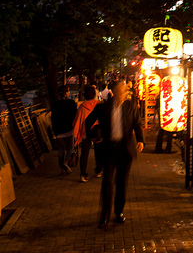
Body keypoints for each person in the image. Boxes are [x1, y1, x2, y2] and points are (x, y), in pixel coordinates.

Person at [86, 78, 144, 228]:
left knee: (121, 183)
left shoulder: (130, 106)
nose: (123, 94)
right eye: (120, 91)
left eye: (125, 91)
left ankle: (119, 212)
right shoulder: (103, 107)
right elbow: (89, 120)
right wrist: (93, 134)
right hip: (109, 148)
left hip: (125, 149)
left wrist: (140, 140)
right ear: (114, 92)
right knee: (107, 182)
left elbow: (137, 123)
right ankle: (104, 214)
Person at [73, 84, 103, 182]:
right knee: (98, 152)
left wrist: (76, 136)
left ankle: (83, 174)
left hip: (85, 133)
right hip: (97, 132)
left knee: (84, 154)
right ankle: (98, 171)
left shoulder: (82, 107)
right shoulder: (99, 105)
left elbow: (77, 122)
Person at [51, 85, 78, 176]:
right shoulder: (71, 103)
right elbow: (75, 116)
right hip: (70, 129)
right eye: (68, 91)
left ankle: (62, 168)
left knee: (61, 150)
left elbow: (53, 118)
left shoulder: (55, 104)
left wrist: (54, 131)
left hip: (59, 131)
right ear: (66, 93)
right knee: (70, 149)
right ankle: (65, 163)